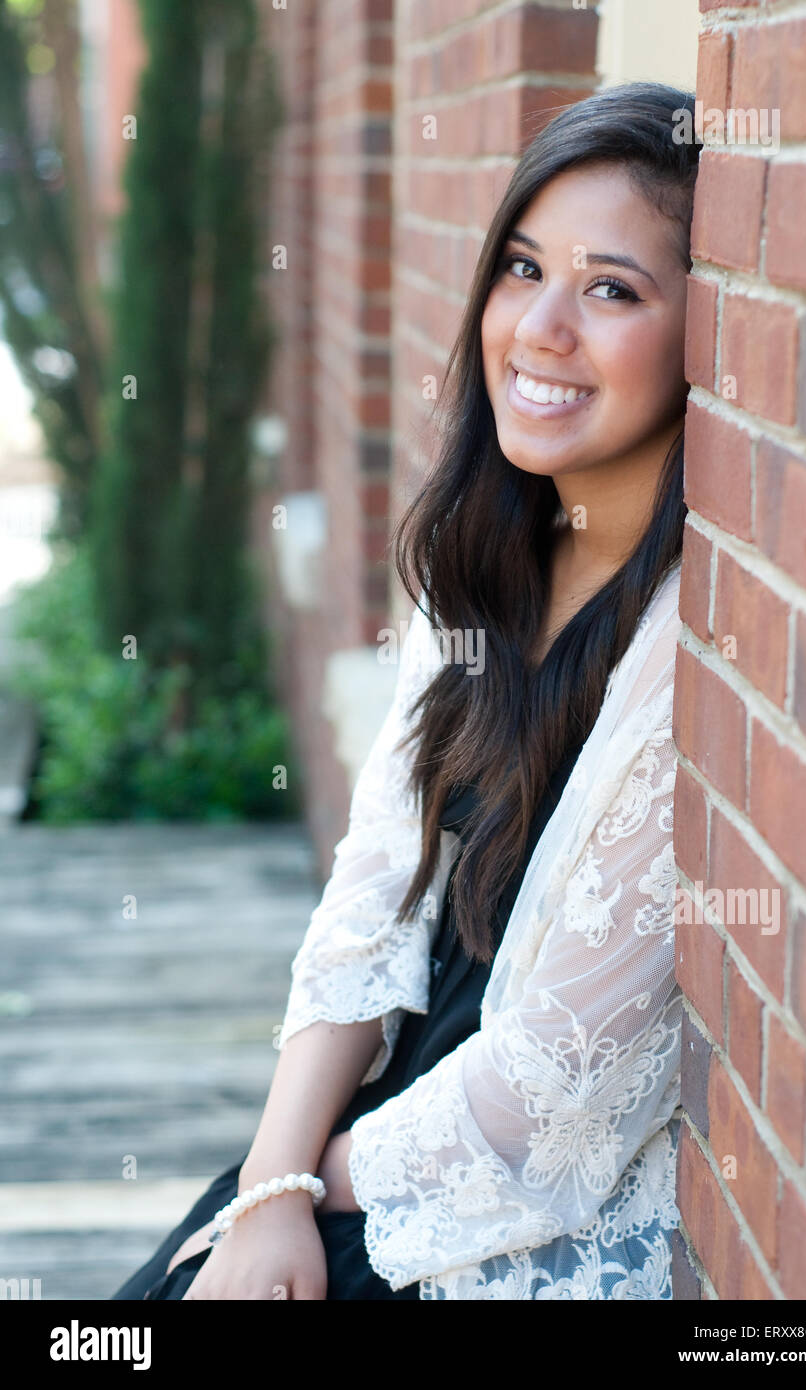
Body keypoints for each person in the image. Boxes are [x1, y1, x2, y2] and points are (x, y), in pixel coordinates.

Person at [112, 80, 701, 1302]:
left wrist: (299, 1189)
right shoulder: (490, 557)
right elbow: (370, 903)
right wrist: (267, 1182)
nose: (538, 328)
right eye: (521, 268)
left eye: (610, 289)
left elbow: (549, 1094)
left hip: (500, 1214)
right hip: (361, 1147)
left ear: (707, 331)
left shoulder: (693, 648)